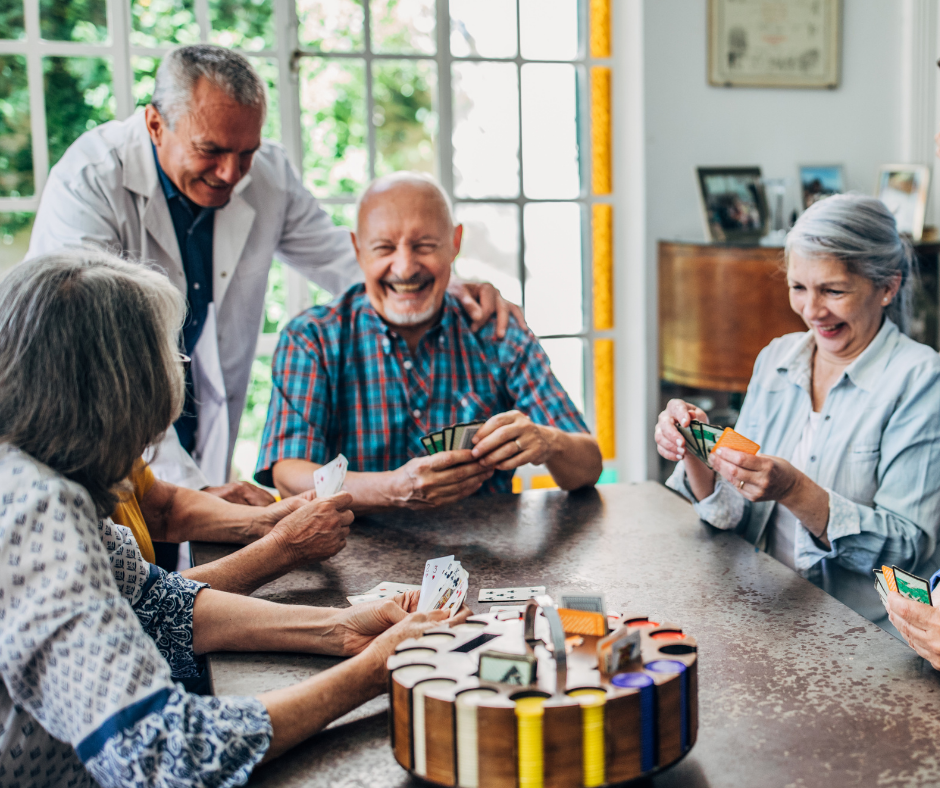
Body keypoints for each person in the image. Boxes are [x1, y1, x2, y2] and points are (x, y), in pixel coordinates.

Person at [0, 247, 466, 787]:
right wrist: (373, 671)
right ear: (116, 391)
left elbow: (151, 605)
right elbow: (169, 751)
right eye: (165, 364)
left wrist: (340, 629)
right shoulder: (34, 507)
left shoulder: (43, 475)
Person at [27, 43, 522, 497]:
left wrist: (453, 288)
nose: (230, 173)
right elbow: (93, 361)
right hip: (93, 419)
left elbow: (343, 259)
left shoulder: (265, 174)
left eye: (246, 152)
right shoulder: (90, 182)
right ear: (156, 125)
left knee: (186, 570)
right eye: (211, 151)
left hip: (190, 403)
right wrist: (187, 497)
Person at [655, 193, 940, 629]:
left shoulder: (921, 380)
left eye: (833, 290)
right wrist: (698, 449)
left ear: (888, 287)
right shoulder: (777, 358)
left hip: (861, 638)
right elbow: (732, 513)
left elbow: (906, 551)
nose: (811, 311)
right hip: (762, 612)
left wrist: (794, 491)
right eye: (798, 287)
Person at [255, 172, 602, 508]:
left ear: (455, 243)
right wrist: (391, 489)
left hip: (487, 556)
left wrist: (549, 442)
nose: (405, 268)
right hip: (347, 550)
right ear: (357, 249)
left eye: (424, 246)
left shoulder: (497, 330)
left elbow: (589, 467)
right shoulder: (311, 338)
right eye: (384, 248)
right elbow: (289, 476)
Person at [112, 457, 352, 596]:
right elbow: (149, 601)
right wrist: (284, 547)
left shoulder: (116, 447)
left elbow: (164, 507)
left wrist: (262, 520)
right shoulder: (76, 498)